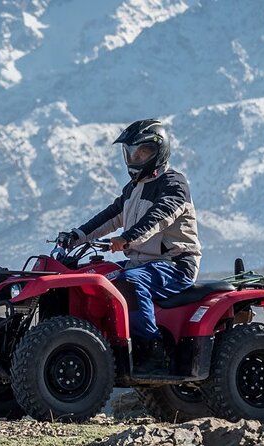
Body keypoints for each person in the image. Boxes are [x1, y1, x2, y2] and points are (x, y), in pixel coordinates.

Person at [61, 119, 201, 374]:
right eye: (131, 152)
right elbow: (110, 216)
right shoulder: (134, 188)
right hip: (142, 262)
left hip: (176, 263)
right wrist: (76, 236)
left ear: (159, 152)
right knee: (97, 276)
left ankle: (152, 348)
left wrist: (127, 238)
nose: (135, 157)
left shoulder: (173, 184)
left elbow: (159, 217)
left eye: (142, 152)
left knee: (130, 283)